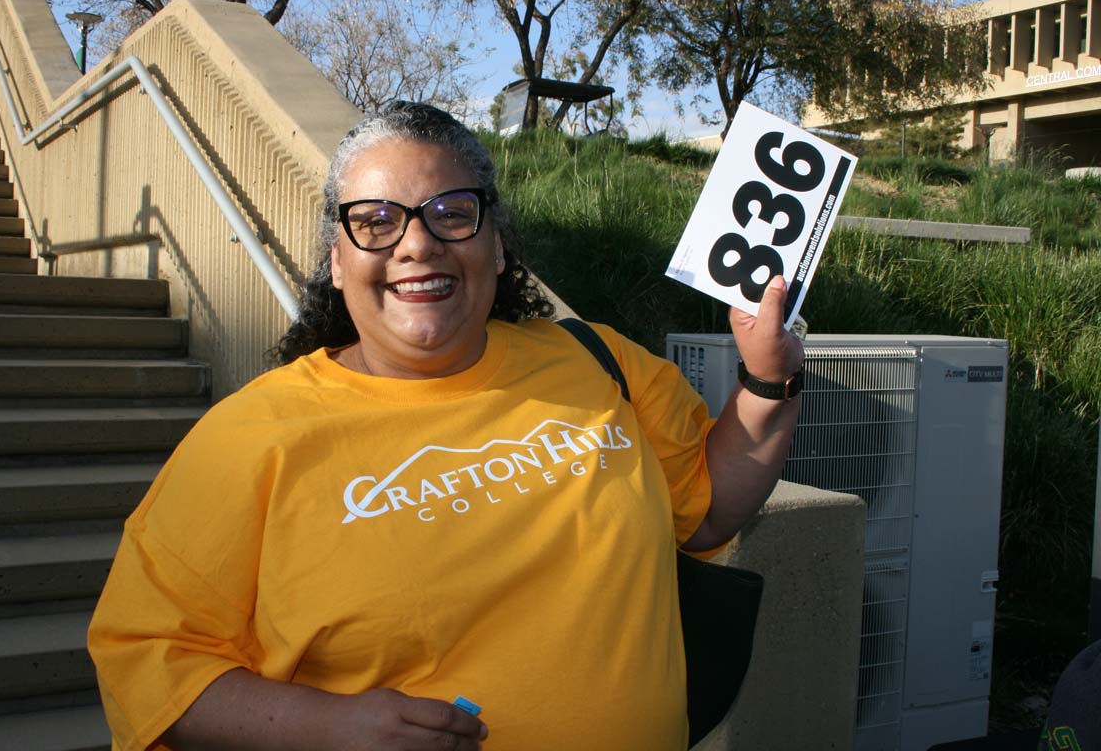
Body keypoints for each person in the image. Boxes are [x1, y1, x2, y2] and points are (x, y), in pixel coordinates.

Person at [87, 101, 805, 751]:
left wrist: (768, 380)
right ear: (337, 262)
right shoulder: (248, 437)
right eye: (376, 221)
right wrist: (327, 726)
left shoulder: (597, 359)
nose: (418, 244)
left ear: (495, 244)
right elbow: (145, 659)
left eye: (451, 212)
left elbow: (705, 511)